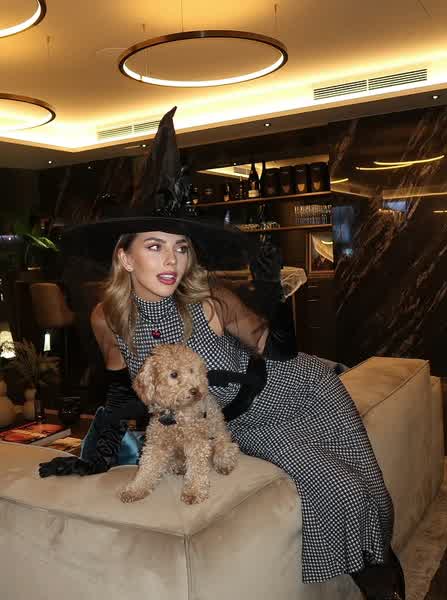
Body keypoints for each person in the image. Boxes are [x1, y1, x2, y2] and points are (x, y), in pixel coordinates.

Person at [39, 107, 404, 600]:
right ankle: (374, 577)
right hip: (244, 421)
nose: (172, 260)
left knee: (370, 486)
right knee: (339, 489)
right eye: (154, 246)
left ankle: (384, 568)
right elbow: (122, 394)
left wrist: (272, 294)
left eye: (181, 247)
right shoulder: (109, 318)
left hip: (301, 388)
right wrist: (93, 459)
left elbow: (278, 352)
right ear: (124, 256)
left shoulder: (207, 297)